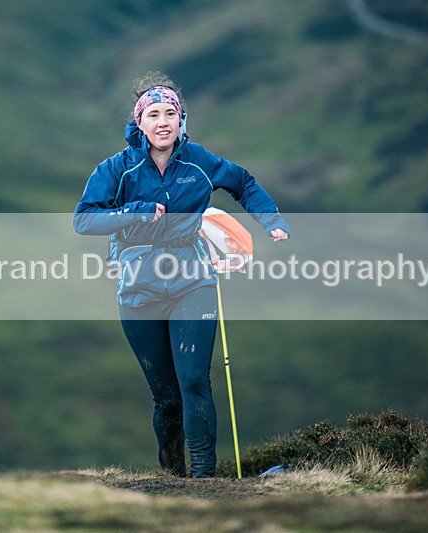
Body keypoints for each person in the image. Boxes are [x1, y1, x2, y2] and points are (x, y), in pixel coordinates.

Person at [73, 72, 289, 478]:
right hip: (138, 288)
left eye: (170, 114)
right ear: (139, 122)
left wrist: (271, 220)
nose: (163, 122)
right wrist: (135, 212)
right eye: (153, 114)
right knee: (167, 397)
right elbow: (83, 219)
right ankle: (174, 477)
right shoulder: (117, 168)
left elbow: (243, 183)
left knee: (194, 383)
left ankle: (204, 477)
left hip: (194, 281)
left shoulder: (198, 161)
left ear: (181, 119)